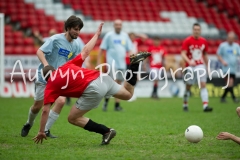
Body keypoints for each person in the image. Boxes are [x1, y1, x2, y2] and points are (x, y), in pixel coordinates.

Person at [32, 22, 151, 144]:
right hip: (102, 78)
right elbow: (85, 51)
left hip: (93, 88)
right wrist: (97, 35)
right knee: (128, 94)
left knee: (72, 118)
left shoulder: (50, 86)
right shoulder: (65, 66)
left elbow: (45, 110)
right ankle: (134, 66)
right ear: (54, 69)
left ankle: (106, 131)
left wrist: (41, 131)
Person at [21, 15, 85, 138]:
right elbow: (39, 51)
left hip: (59, 79)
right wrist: (46, 66)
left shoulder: (76, 45)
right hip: (44, 77)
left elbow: (74, 62)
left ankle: (45, 130)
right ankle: (29, 123)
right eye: (75, 29)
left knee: (61, 101)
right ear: (68, 28)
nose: (77, 32)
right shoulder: (55, 39)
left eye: (79, 29)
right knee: (37, 107)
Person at [97, 19, 133, 111]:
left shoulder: (125, 36)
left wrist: (133, 59)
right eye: (116, 25)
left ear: (121, 26)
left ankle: (117, 105)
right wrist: (98, 62)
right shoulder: (109, 35)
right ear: (114, 25)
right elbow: (101, 49)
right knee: (112, 83)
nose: (118, 26)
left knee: (119, 84)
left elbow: (130, 49)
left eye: (120, 25)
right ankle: (106, 102)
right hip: (111, 63)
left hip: (122, 64)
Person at [181, 23, 213, 112]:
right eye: (195, 29)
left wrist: (208, 67)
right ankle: (185, 104)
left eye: (198, 30)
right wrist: (189, 61)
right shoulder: (187, 41)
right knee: (188, 86)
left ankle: (205, 105)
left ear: (200, 31)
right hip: (190, 66)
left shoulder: (204, 41)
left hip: (200, 65)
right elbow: (183, 53)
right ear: (192, 30)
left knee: (203, 85)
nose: (196, 31)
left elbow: (205, 55)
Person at [217, 31, 240, 103]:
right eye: (229, 38)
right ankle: (234, 98)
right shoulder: (223, 45)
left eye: (232, 38)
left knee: (229, 84)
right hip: (226, 68)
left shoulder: (236, 46)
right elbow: (218, 55)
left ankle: (223, 98)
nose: (231, 39)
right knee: (230, 82)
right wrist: (223, 61)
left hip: (233, 68)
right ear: (227, 38)